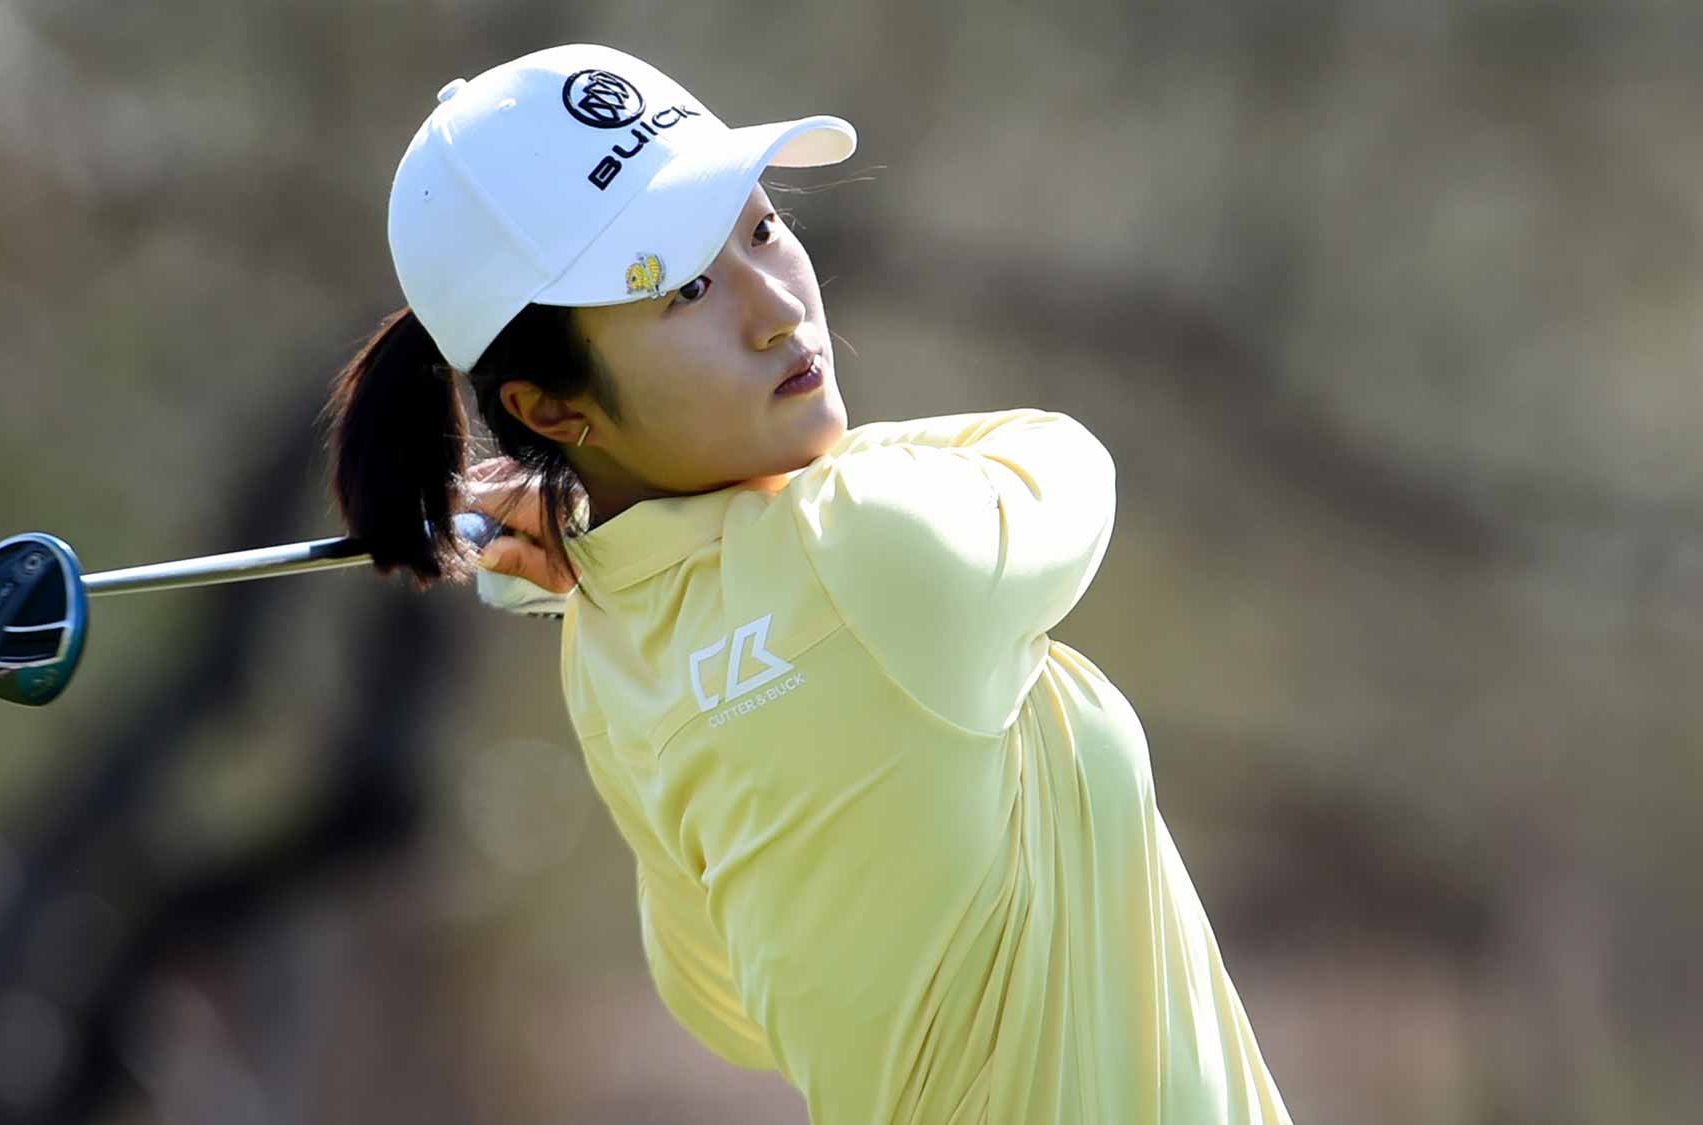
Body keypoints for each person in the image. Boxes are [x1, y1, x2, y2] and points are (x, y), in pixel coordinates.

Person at [325, 43, 1294, 1125]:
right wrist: (721, 524)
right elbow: (1066, 461)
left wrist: (621, 535)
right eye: (684, 287)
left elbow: (725, 1010)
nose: (775, 307)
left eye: (760, 227)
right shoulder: (871, 538)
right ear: (548, 409)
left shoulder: (607, 656)